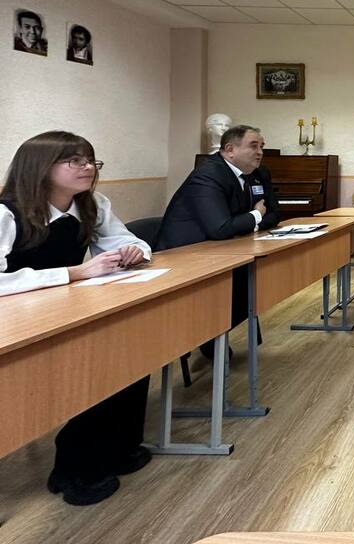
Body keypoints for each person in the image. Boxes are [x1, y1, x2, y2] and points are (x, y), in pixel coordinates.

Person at [0, 131, 152, 506]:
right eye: (75, 161)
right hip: (16, 322)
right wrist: (73, 273)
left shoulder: (92, 204)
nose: (88, 168)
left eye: (91, 161)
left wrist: (133, 252)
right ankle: (74, 468)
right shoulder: (7, 213)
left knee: (136, 349)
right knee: (91, 365)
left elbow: (127, 240)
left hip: (66, 309)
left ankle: (118, 448)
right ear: (40, 167)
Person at [158, 125, 279, 355]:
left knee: (255, 279)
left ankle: (212, 333)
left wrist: (250, 223)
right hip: (187, 256)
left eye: (262, 146)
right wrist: (256, 215)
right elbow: (221, 228)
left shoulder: (260, 173)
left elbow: (274, 214)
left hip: (226, 248)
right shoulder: (209, 174)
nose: (260, 152)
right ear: (230, 150)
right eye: (254, 146)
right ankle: (206, 333)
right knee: (242, 281)